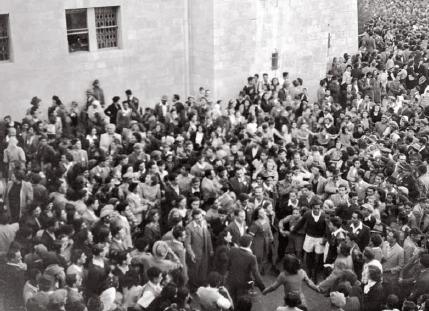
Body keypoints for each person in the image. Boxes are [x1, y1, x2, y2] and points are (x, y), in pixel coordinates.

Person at [227, 234, 265, 304]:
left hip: (231, 280)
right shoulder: (252, 257)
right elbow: (256, 273)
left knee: (232, 299)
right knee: (242, 301)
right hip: (244, 283)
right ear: (250, 243)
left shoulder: (232, 250)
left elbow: (228, 265)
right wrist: (262, 287)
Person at [185, 208, 213, 292]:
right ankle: (194, 288)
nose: (199, 220)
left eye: (200, 218)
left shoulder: (204, 222)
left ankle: (202, 286)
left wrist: (210, 249)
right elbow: (187, 243)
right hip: (196, 253)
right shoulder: (189, 227)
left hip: (205, 252)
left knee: (203, 270)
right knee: (194, 272)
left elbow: (208, 236)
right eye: (197, 219)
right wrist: (191, 254)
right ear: (193, 218)